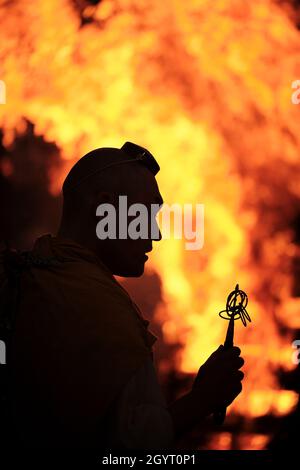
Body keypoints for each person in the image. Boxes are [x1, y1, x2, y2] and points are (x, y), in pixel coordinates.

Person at [4, 142, 244, 448]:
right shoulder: (97, 306)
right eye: (147, 215)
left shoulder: (28, 277)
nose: (155, 233)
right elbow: (128, 447)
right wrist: (201, 400)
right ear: (105, 209)